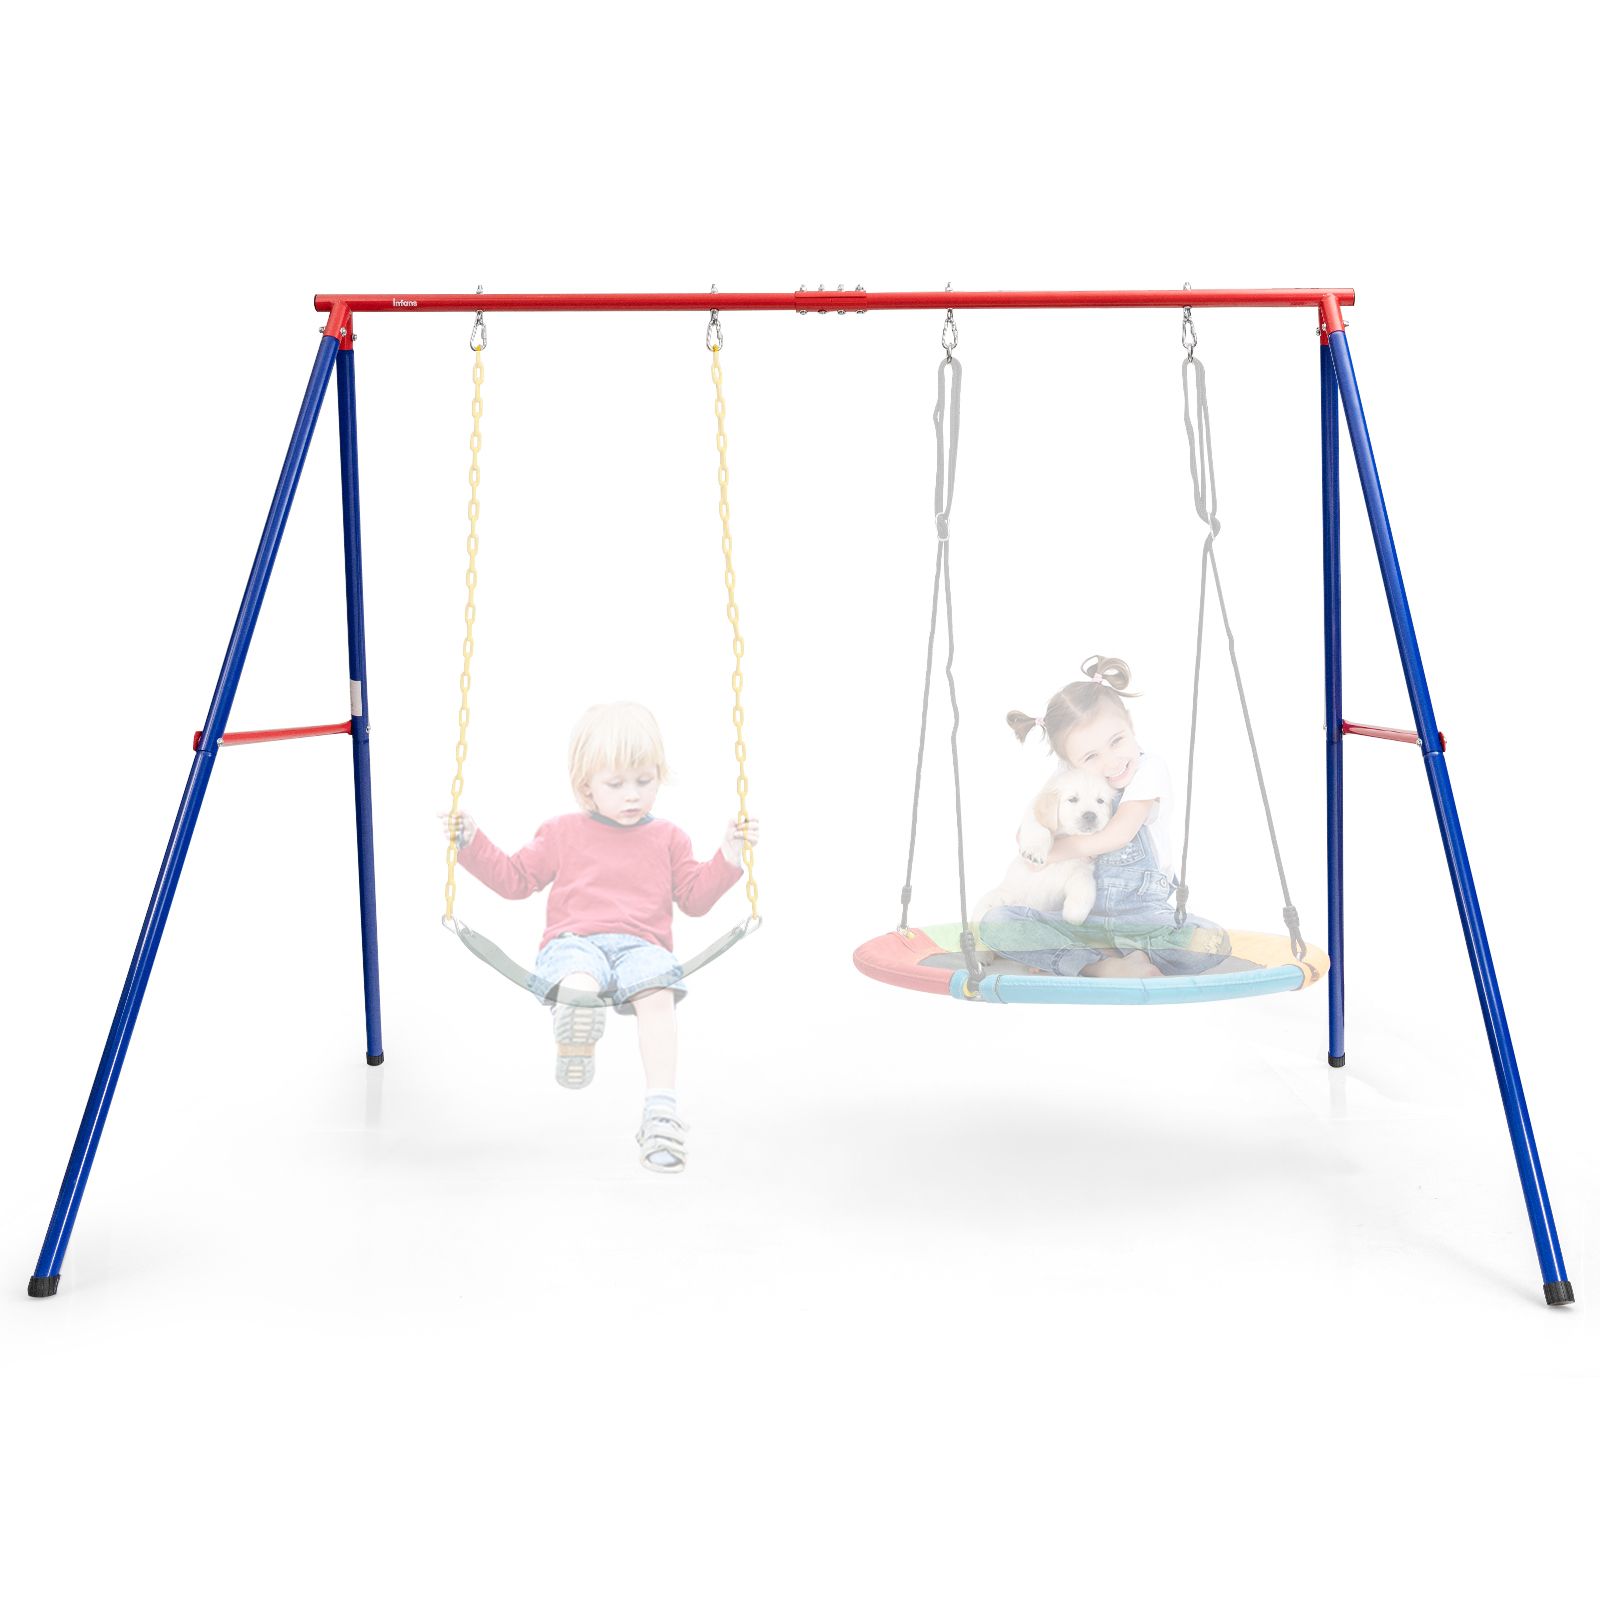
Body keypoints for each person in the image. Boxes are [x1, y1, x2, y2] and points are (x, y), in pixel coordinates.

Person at [442, 702, 758, 1172]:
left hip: (642, 948)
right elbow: (515, 880)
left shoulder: (669, 838)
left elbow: (694, 899)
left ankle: (661, 1111)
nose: (633, 795)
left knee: (659, 994)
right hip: (576, 941)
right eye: (616, 784)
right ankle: (576, 1027)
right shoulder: (561, 832)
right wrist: (471, 842)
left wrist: (729, 856)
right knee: (580, 981)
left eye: (645, 781)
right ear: (586, 785)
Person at [980, 655, 1229, 979]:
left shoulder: (1148, 768)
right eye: (1091, 756)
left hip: (1141, 918)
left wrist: (1051, 853)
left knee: (1211, 942)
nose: (1112, 762)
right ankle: (1103, 964)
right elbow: (1029, 825)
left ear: (1130, 724)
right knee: (996, 923)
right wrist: (1034, 843)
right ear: (1071, 763)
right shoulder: (1070, 777)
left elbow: (1118, 835)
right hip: (1082, 920)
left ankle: (1095, 956)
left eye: (1117, 741)